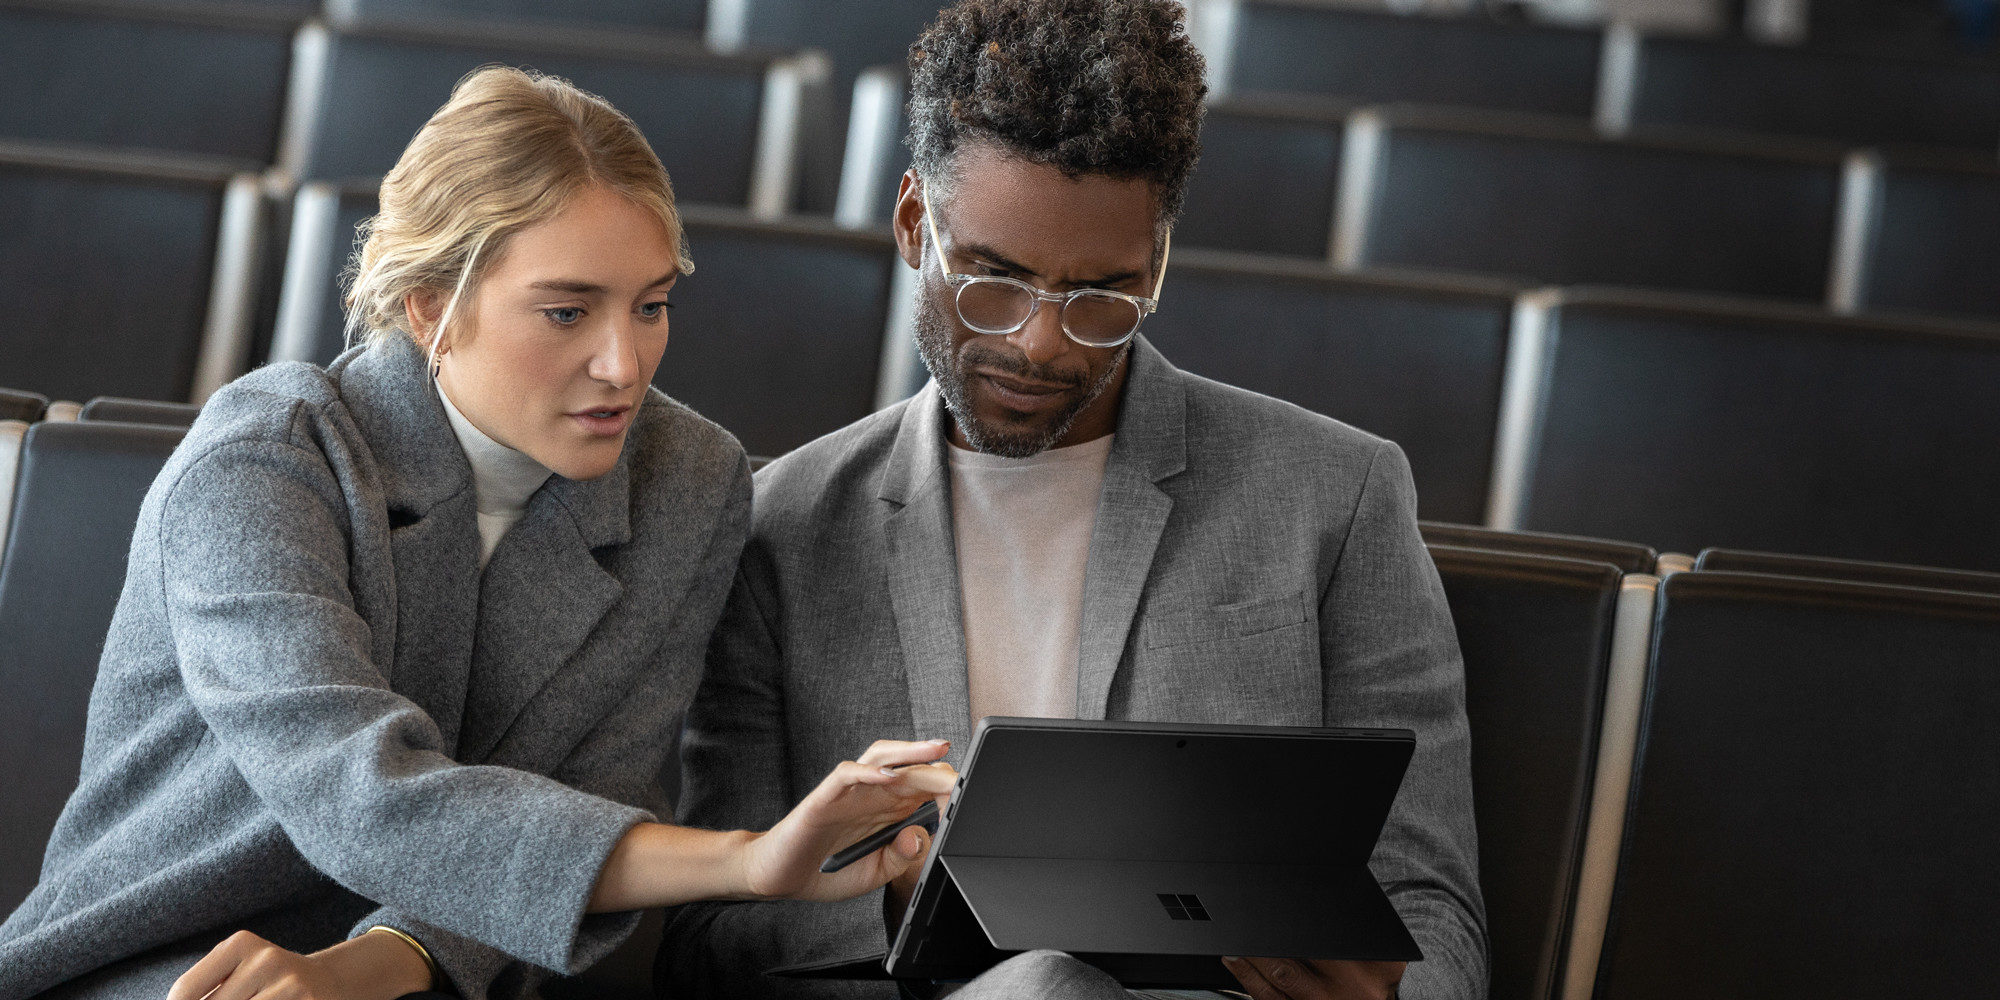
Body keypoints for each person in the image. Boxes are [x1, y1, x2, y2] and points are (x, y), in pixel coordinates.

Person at [0, 67, 954, 1000]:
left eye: (652, 305)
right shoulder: (267, 458)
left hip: (452, 977)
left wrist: (386, 964)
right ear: (430, 307)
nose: (624, 364)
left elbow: (593, 793)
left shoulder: (688, 482)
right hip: (168, 958)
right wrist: (746, 861)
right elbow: (355, 785)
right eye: (567, 311)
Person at [658, 1, 1487, 998]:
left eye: (1100, 296)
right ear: (915, 223)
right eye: (993, 283)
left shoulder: (1334, 497)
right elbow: (707, 936)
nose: (1040, 343)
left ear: (1159, 264)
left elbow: (1432, 905)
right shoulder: (778, 528)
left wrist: (1394, 992)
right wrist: (900, 897)